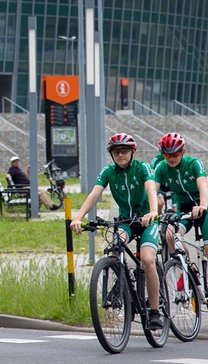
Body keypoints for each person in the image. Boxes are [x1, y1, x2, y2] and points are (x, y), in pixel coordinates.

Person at [70, 133, 164, 331]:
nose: (120, 155)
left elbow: (150, 189)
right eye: (116, 152)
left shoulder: (142, 167)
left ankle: (155, 311)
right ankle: (119, 286)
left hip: (146, 220)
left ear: (132, 152)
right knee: (115, 247)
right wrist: (79, 217)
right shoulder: (108, 172)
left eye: (124, 151)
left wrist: (153, 211)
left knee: (147, 260)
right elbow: (94, 194)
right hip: (125, 221)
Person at [152, 132, 208, 319]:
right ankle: (187, 267)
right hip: (185, 209)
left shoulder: (194, 164)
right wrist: (151, 209)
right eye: (167, 154)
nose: (171, 158)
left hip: (205, 207)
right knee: (170, 234)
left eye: (175, 154)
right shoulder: (161, 167)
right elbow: (152, 191)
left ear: (183, 152)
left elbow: (203, 186)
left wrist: (202, 205)